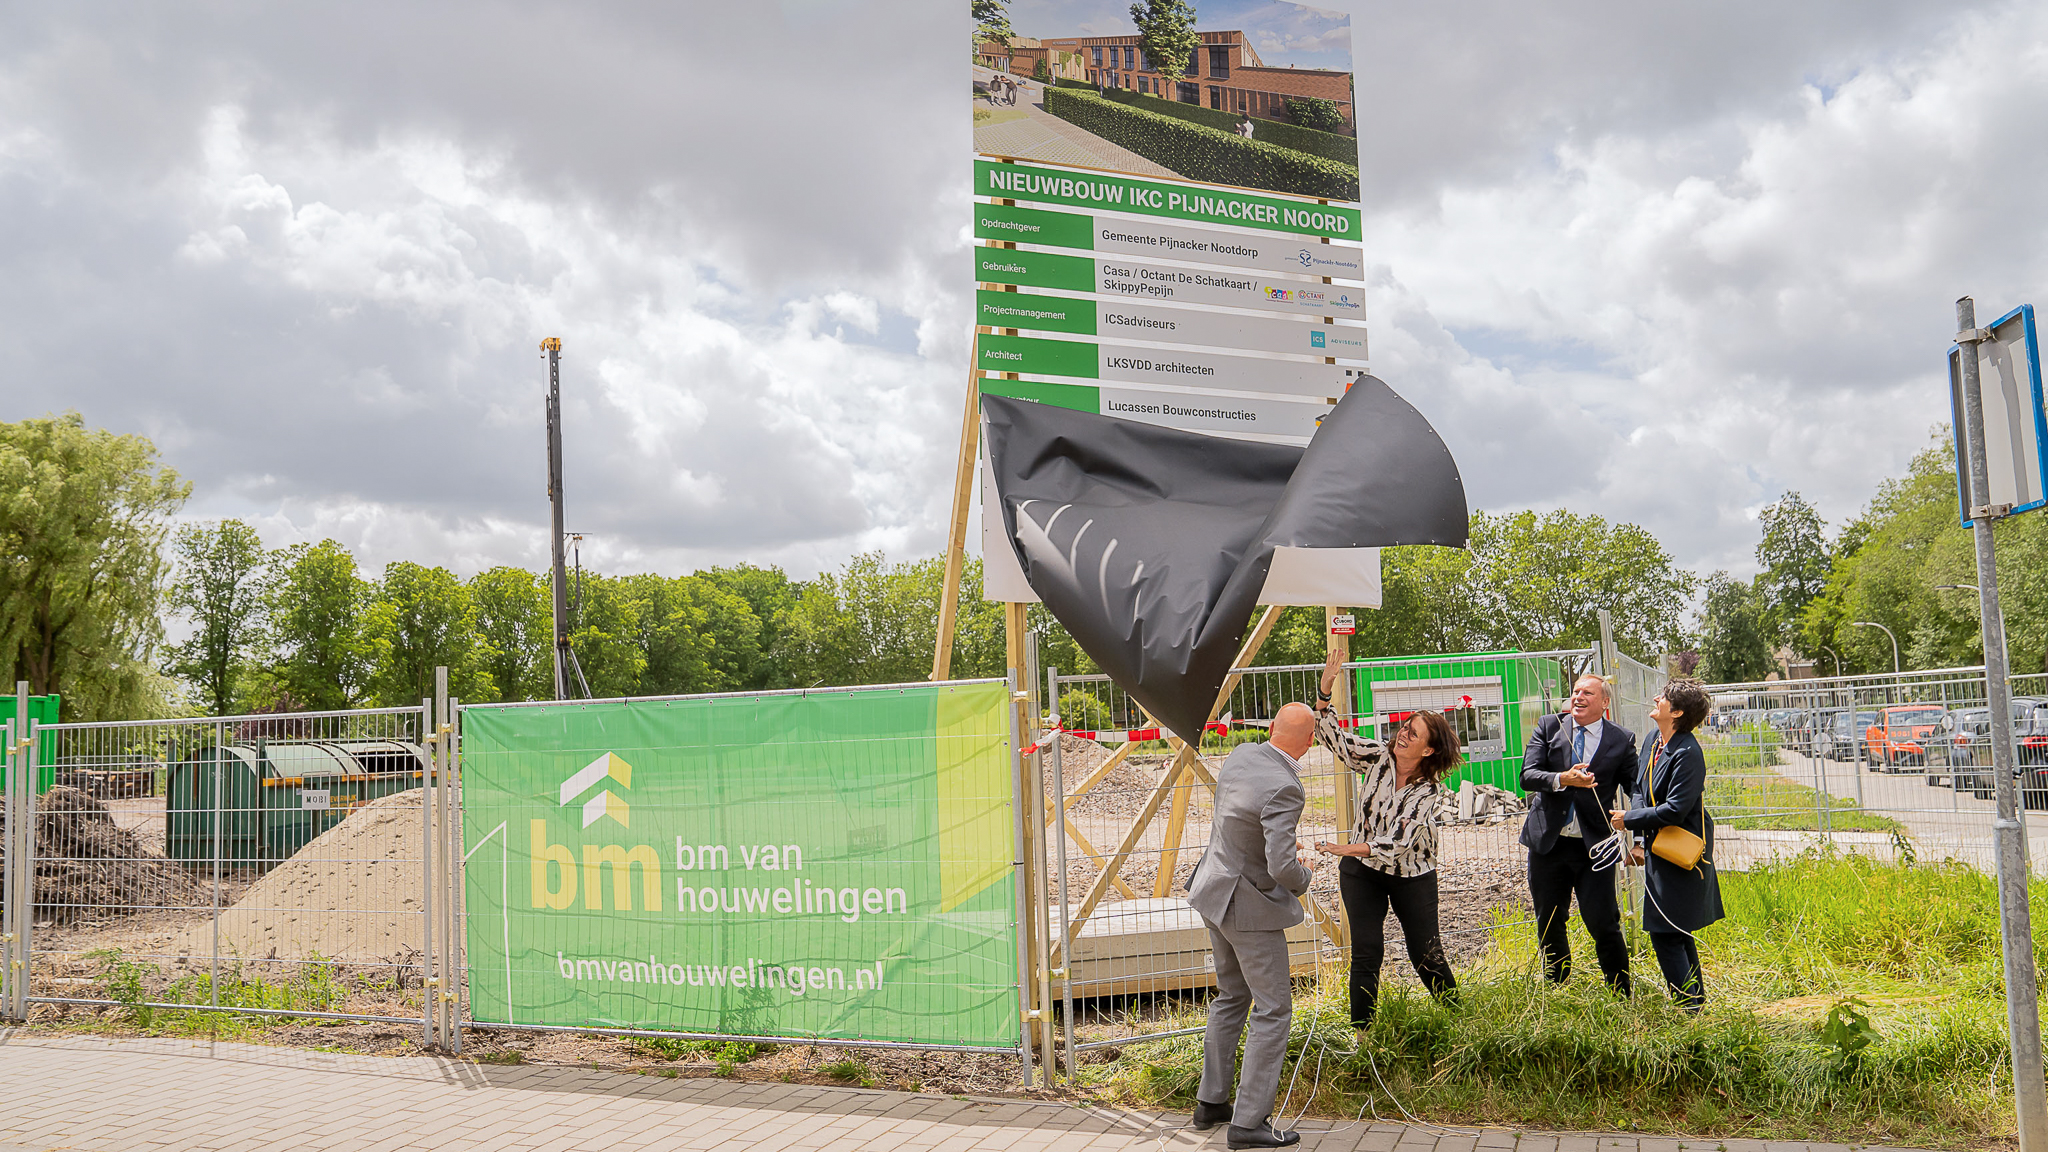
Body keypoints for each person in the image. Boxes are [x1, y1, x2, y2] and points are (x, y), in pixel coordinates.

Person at [1184, 702, 1317, 1150]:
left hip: (1212, 890)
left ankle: (1211, 1102)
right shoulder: (1286, 786)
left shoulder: (1241, 754)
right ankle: (1248, 1123)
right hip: (1248, 909)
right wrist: (1306, 872)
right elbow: (1282, 866)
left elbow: (1240, 823)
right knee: (1274, 1008)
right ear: (1310, 743)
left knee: (1232, 996)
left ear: (1271, 728)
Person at [1310, 648, 1460, 1028]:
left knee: (1425, 953)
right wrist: (1325, 689)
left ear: (1428, 749)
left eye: (1412, 733)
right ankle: (1363, 1036)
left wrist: (1346, 847)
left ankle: (1460, 1019)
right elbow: (1334, 738)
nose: (1402, 734)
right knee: (1366, 950)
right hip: (1362, 872)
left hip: (1411, 875)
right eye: (1404, 727)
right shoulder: (1378, 757)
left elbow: (1398, 842)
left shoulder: (1428, 792)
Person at [1610, 678, 1723, 1010]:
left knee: (1665, 933)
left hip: (1681, 853)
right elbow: (1639, 787)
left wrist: (1629, 820)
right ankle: (1694, 1007)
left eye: (1663, 698)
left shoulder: (1688, 753)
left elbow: (1675, 810)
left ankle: (1687, 1008)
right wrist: (1640, 837)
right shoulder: (1653, 740)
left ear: (1676, 712)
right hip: (1659, 848)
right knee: (1676, 930)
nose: (1655, 699)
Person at [1519, 674, 1638, 992]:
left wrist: (1637, 831)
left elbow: (1635, 789)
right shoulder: (1549, 726)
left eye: (1587, 693)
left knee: (1603, 921)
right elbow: (1528, 776)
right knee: (1549, 920)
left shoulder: (1621, 739)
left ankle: (1620, 991)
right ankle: (1556, 988)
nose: (1578, 697)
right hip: (1548, 844)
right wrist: (1562, 779)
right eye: (1574, 692)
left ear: (1605, 702)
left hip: (1594, 848)